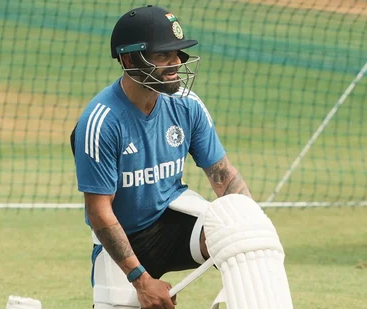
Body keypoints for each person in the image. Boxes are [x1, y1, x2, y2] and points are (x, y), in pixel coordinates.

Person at [70, 5, 252, 309]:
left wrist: (252, 225)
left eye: (178, 54)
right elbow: (100, 212)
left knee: (238, 233)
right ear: (129, 59)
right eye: (163, 55)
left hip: (172, 221)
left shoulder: (187, 105)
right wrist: (141, 280)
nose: (176, 63)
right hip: (121, 236)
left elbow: (224, 176)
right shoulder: (101, 121)